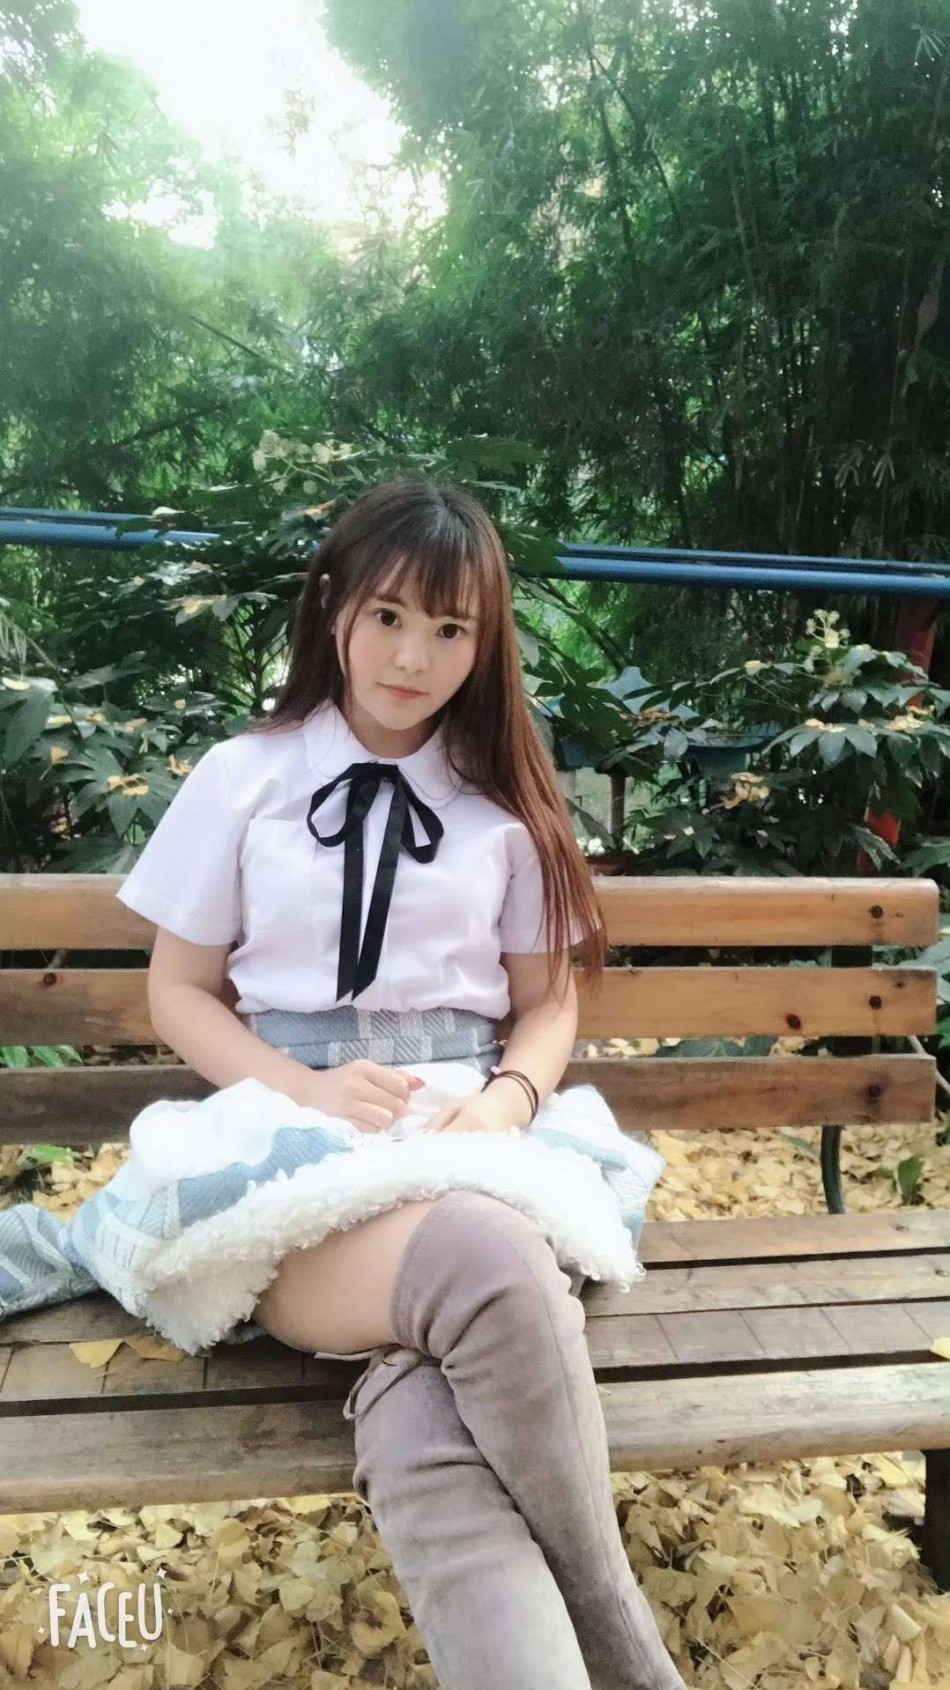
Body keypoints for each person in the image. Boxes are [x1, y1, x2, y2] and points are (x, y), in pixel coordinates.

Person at [114, 478, 688, 1690]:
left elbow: (547, 1005)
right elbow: (177, 992)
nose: (411, 657)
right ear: (333, 606)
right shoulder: (245, 775)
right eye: (386, 615)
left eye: (448, 628)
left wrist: (506, 1103)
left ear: (484, 644)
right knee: (485, 1261)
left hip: (464, 1127)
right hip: (294, 1151)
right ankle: (626, 1643)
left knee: (427, 1426)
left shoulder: (499, 799)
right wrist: (300, 1089)